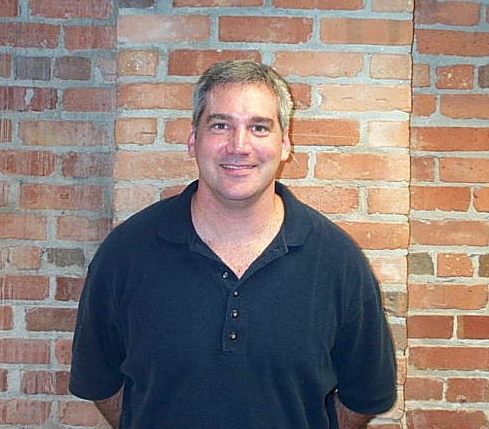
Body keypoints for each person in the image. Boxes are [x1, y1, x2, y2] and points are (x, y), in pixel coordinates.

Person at [69, 60, 397, 429]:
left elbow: (365, 396)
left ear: (285, 144)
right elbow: (101, 384)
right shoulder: (125, 253)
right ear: (193, 140)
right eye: (220, 125)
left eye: (259, 127)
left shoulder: (338, 261)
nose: (239, 146)